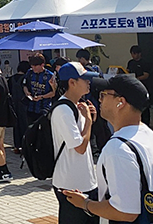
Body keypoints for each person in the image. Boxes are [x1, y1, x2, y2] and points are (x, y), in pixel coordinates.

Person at [64, 75, 153, 224]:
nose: (100, 100)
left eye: (103, 95)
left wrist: (85, 204)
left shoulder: (118, 149)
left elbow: (126, 212)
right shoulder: (148, 134)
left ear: (120, 102)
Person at [51, 62, 99, 223]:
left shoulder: (77, 105)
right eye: (84, 79)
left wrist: (88, 119)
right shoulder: (63, 110)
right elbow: (80, 147)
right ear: (72, 82)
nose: (88, 83)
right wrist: (89, 122)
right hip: (70, 184)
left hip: (84, 180)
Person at [23, 53, 57, 124]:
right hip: (31, 108)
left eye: (35, 66)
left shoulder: (49, 75)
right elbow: (25, 85)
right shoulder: (30, 73)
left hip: (44, 108)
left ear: (42, 65)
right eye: (32, 66)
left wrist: (41, 97)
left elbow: (53, 93)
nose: (33, 68)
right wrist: (26, 92)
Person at [9, 61, 30, 154]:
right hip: (25, 105)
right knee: (25, 125)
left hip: (14, 104)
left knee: (16, 126)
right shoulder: (26, 78)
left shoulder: (11, 79)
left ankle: (17, 146)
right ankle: (26, 145)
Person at [126, 45, 151, 125]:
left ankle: (146, 123)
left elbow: (146, 75)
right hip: (132, 88)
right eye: (132, 54)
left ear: (139, 54)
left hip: (143, 86)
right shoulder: (131, 62)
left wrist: (136, 79)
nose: (133, 56)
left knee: (145, 106)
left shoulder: (144, 62)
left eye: (135, 54)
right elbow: (127, 71)